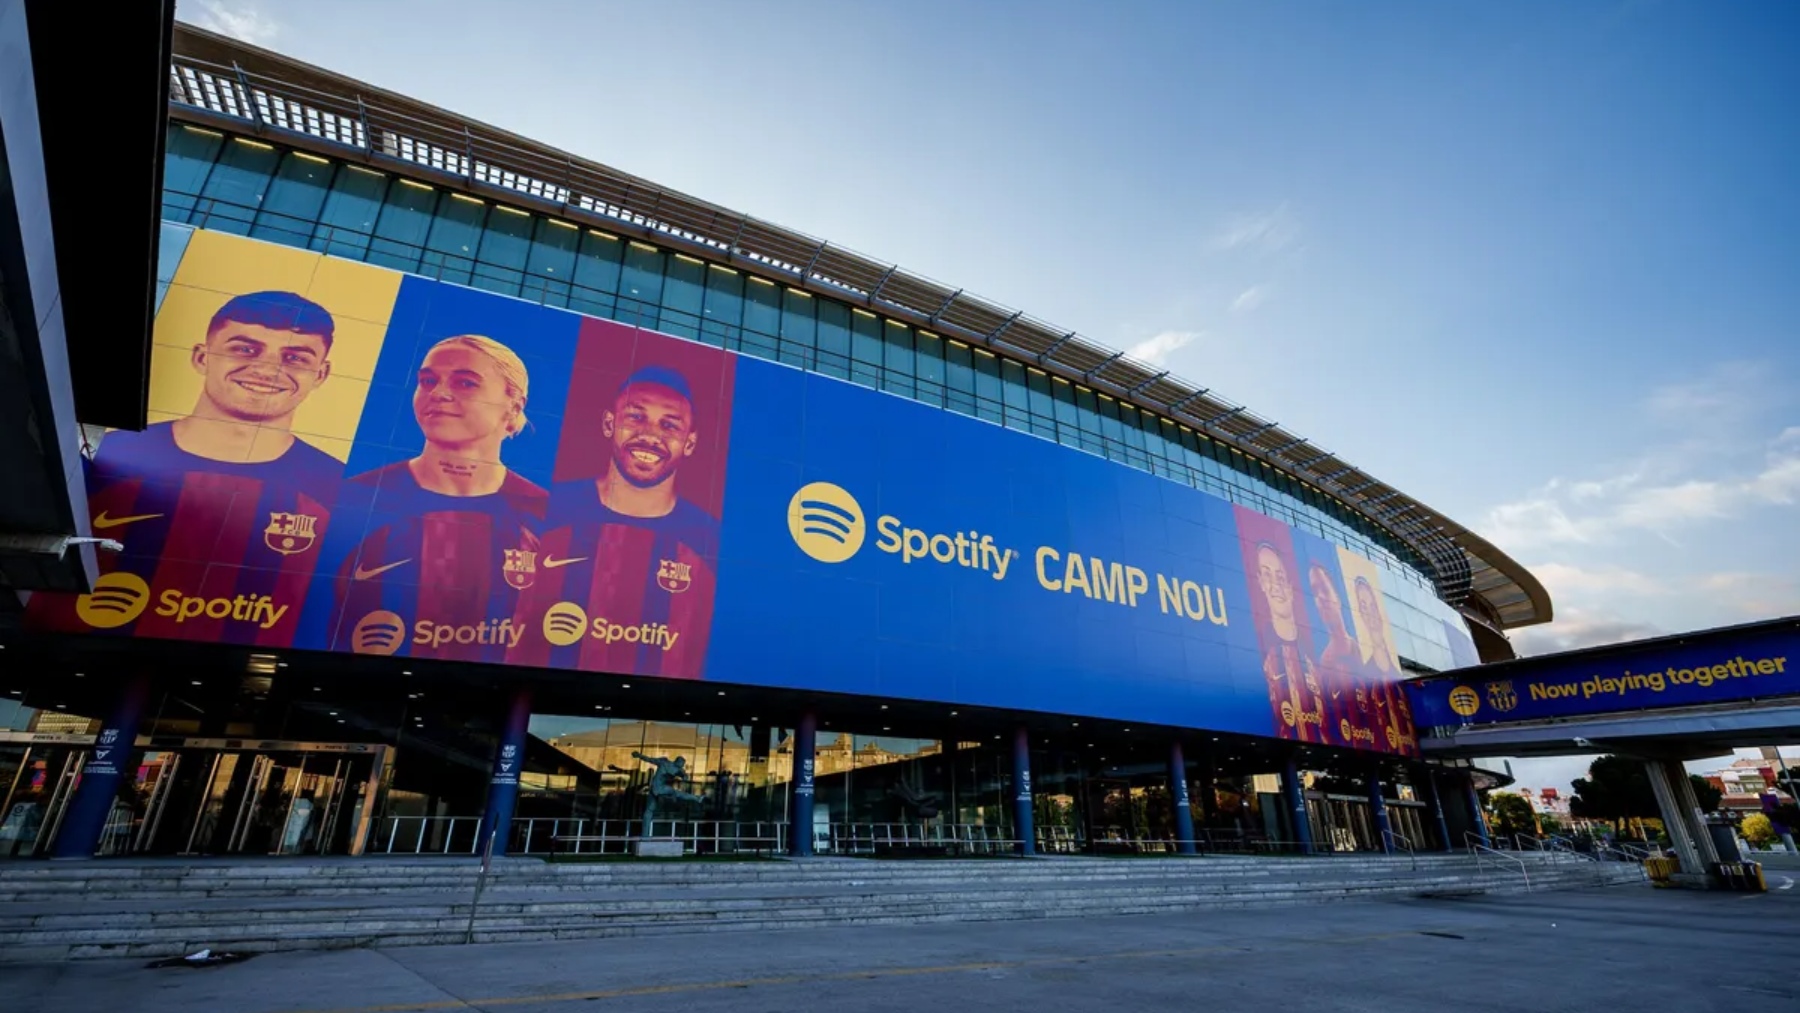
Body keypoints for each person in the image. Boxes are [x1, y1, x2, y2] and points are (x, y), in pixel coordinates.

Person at [30, 291, 344, 645]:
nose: (268, 369)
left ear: (321, 374)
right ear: (201, 356)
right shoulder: (107, 452)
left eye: (295, 357)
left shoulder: (343, 488)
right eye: (245, 349)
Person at [328, 334, 547, 662]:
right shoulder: (356, 497)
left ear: (514, 406)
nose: (439, 393)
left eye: (466, 383)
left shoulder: (546, 515)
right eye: (428, 381)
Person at [510, 365, 720, 679]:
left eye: (669, 425)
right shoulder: (545, 510)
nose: (650, 435)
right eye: (636, 417)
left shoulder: (709, 539)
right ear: (609, 423)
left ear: (689, 443)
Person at [1253, 541, 1325, 743]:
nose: (1276, 584)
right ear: (1259, 582)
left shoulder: (1313, 651)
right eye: (1267, 575)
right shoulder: (1260, 649)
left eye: (1280, 576)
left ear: (1290, 586)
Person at [1306, 561, 1372, 749]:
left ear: (1337, 596)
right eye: (1314, 592)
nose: (1321, 598)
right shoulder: (1323, 661)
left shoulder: (1360, 648)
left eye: (1324, 589)